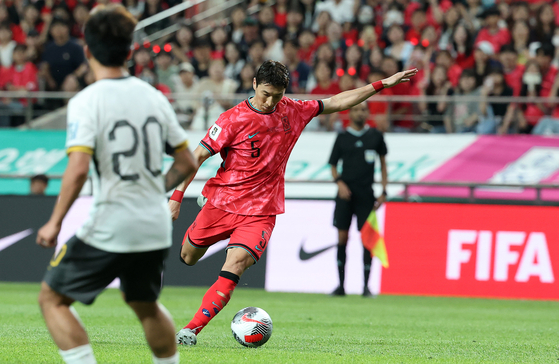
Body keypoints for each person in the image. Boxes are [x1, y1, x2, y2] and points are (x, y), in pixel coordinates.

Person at [169, 59, 417, 345]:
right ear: (253, 85)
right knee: (188, 257)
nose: (270, 101)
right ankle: (205, 198)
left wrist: (381, 85)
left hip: (262, 210)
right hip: (223, 203)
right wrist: (176, 198)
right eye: (265, 94)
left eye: (277, 95)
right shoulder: (231, 119)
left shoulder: (295, 111)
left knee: (236, 263)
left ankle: (191, 329)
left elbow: (337, 101)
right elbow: (196, 157)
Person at [36, 5, 197, 364]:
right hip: (154, 225)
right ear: (129, 51)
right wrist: (152, 190)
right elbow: (186, 163)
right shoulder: (155, 97)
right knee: (145, 303)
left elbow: (77, 170)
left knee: (52, 298)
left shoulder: (86, 102)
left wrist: (55, 221)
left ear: (87, 50)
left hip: (112, 222)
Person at [328, 102, 388, 297]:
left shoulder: (376, 137)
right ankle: (341, 286)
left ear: (368, 113)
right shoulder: (342, 137)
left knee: (367, 240)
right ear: (350, 113)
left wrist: (384, 191)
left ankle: (366, 287)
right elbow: (333, 165)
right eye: (356, 109)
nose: (360, 113)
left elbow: (383, 164)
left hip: (366, 196)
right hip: (345, 195)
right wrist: (340, 184)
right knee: (342, 239)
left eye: (363, 109)